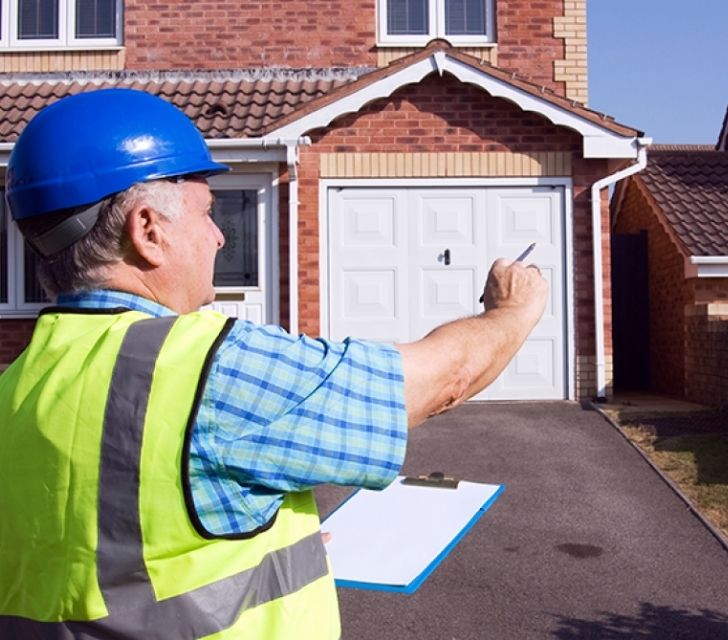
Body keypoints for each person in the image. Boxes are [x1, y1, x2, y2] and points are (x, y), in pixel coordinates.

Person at [0, 88, 547, 639]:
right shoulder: (212, 367)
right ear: (148, 231)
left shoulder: (16, 386)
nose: (218, 236)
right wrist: (512, 309)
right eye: (207, 214)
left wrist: (275, 559)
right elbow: (440, 380)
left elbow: (104, 564)